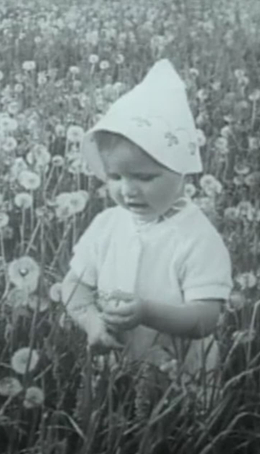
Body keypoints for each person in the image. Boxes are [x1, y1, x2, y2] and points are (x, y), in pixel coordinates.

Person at [61, 58, 233, 394]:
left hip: (183, 376)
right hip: (117, 366)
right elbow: (74, 285)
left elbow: (204, 319)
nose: (127, 190)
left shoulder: (197, 239)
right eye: (115, 176)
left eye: (144, 177)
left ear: (181, 172)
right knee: (117, 434)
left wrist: (146, 312)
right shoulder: (107, 224)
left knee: (172, 440)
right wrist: (92, 323)